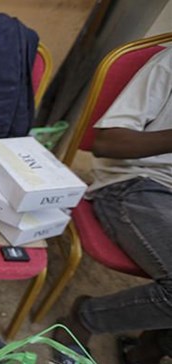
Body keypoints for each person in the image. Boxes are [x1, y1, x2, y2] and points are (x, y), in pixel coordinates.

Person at [58, 47, 172, 363]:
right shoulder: (168, 65)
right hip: (137, 185)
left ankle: (154, 344)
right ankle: (86, 317)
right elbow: (107, 143)